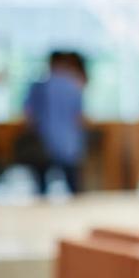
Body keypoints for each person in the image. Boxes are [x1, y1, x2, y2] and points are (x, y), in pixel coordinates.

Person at [23, 51, 88, 195]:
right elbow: (79, 118)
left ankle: (40, 216)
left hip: (43, 141)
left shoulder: (38, 86)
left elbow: (29, 115)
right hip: (69, 142)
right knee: (73, 187)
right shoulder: (73, 86)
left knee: (41, 189)